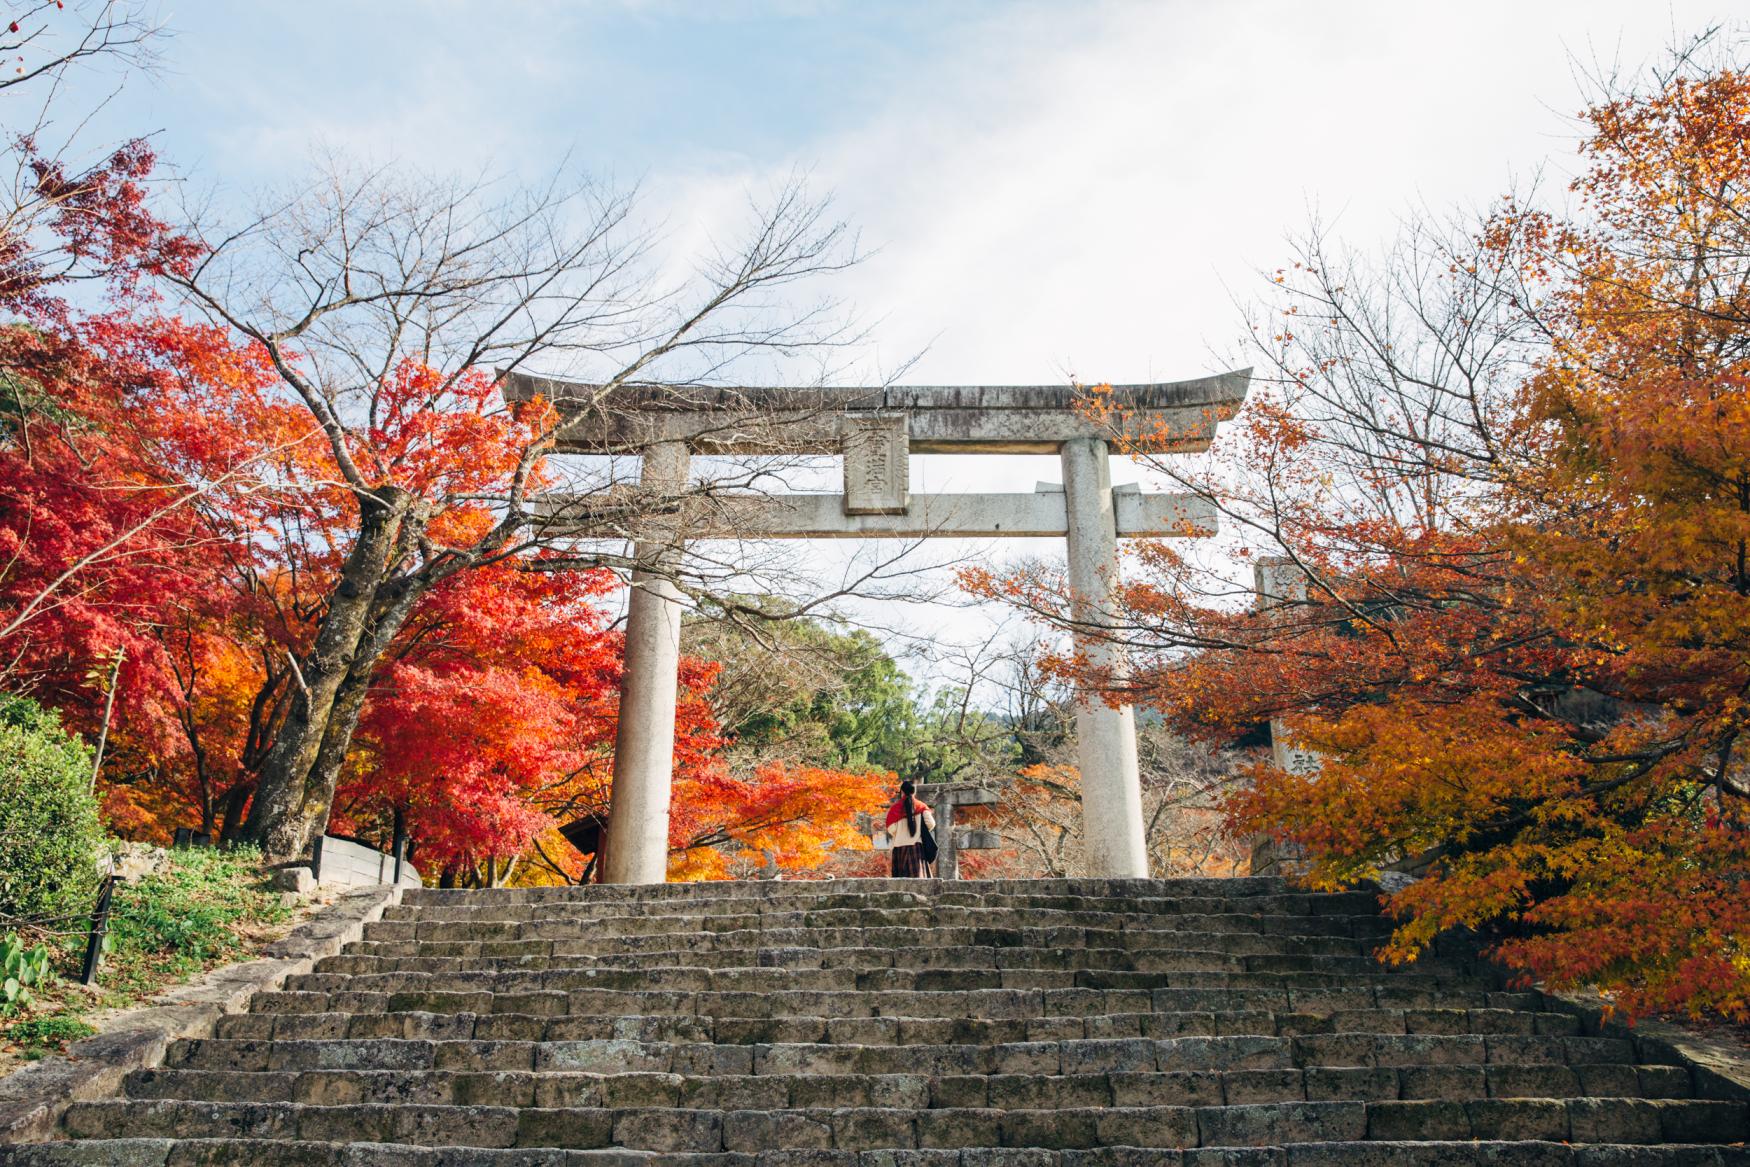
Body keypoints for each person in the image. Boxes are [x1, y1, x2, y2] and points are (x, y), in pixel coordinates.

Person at [881, 780, 936, 877]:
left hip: (899, 848)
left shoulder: (894, 808)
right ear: (914, 792)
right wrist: (919, 831)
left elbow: (891, 828)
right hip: (917, 848)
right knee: (919, 880)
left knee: (900, 884)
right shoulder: (921, 806)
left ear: (902, 792)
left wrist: (900, 834)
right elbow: (931, 823)